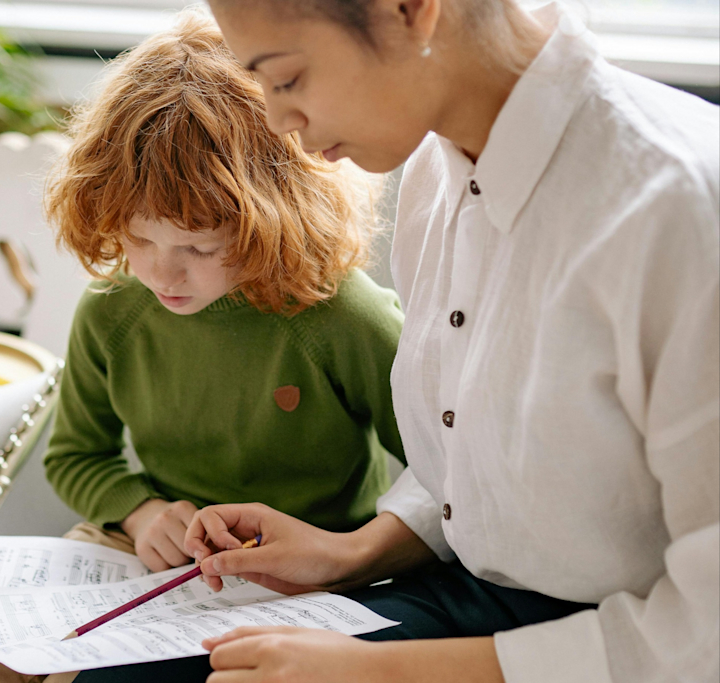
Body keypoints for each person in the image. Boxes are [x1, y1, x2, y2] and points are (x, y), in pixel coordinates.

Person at [171, 0, 718, 682]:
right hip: (482, 598)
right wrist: (349, 553)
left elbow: (706, 630)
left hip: (625, 640)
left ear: (410, 10)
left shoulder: (681, 209)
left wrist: (378, 672)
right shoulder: (435, 169)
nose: (277, 121)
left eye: (284, 78)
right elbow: (491, 467)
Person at [0, 11, 409, 682]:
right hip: (142, 554)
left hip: (308, 571)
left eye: (198, 247)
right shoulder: (113, 311)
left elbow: (439, 478)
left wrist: (344, 551)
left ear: (274, 219)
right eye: (137, 238)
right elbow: (74, 456)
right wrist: (141, 511)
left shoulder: (341, 319)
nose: (159, 273)